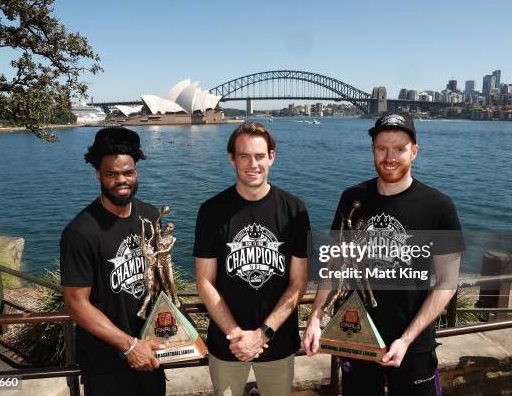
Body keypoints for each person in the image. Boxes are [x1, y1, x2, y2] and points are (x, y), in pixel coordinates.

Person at [302, 113, 464, 396]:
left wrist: (406, 339)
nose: (390, 157)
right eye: (382, 148)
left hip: (412, 345)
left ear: (414, 151)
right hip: (356, 336)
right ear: (372, 150)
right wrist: (316, 319)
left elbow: (447, 283)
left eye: (399, 148)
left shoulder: (439, 207)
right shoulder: (352, 200)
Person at [194, 122, 311, 396]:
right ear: (231, 159)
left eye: (259, 156)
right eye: (244, 156)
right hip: (227, 343)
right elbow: (204, 281)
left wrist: (262, 335)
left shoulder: (295, 210)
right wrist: (237, 335)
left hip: (277, 340)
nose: (252, 164)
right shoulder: (211, 211)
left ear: (271, 156)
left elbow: (299, 282)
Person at [60, 127, 166, 396]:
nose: (122, 180)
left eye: (128, 172)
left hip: (150, 353)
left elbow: (158, 281)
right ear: (98, 174)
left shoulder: (150, 216)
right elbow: (76, 304)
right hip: (106, 365)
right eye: (112, 174)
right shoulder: (80, 232)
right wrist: (129, 346)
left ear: (136, 171)